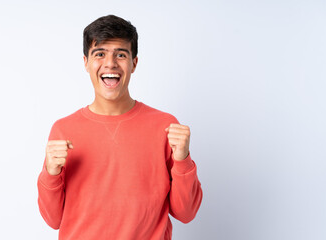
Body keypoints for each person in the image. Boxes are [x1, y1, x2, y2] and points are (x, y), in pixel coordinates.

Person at [37, 14, 203, 240]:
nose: (110, 63)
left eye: (121, 54)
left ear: (134, 63)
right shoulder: (63, 130)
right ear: (86, 62)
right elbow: (52, 219)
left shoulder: (165, 127)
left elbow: (186, 212)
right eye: (100, 54)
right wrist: (51, 173)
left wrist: (183, 160)